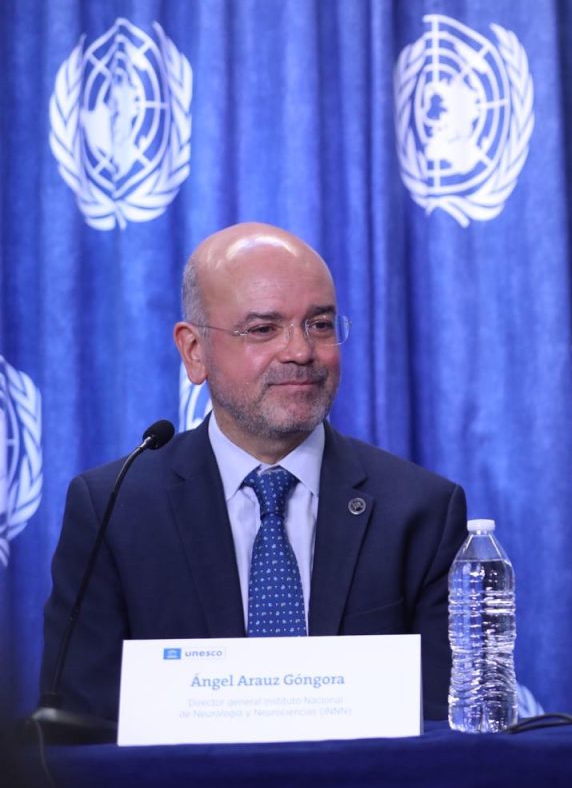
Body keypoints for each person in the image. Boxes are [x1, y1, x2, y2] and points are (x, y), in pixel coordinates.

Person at [39, 223, 468, 721]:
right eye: (264, 329)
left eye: (321, 324)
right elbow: (79, 731)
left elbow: (448, 725)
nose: (301, 352)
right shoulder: (114, 510)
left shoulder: (421, 511)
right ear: (194, 351)